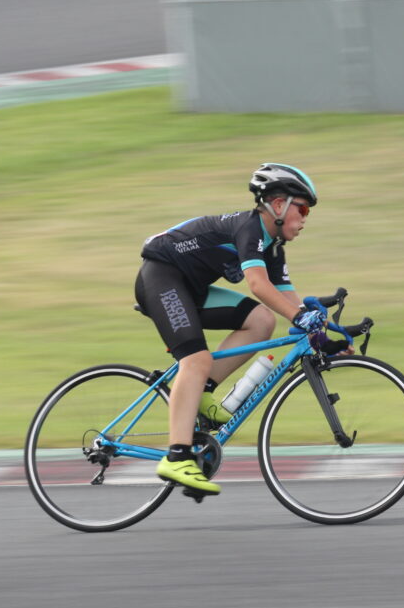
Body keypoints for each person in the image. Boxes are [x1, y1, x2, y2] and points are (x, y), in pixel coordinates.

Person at [134, 163, 327, 495]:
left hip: (191, 288)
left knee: (262, 321)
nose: (306, 217)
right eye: (303, 207)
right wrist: (299, 317)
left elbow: (288, 300)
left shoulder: (273, 247)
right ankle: (177, 456)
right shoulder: (249, 229)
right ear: (278, 205)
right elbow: (257, 284)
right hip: (162, 277)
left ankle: (202, 393)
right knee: (195, 359)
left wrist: (326, 333)